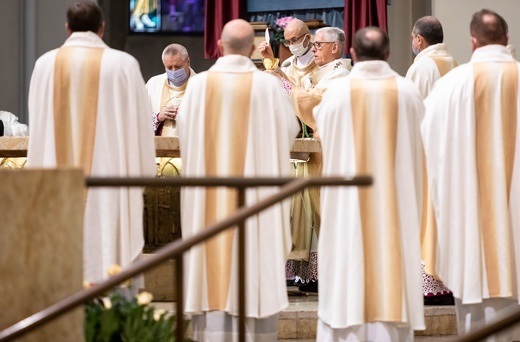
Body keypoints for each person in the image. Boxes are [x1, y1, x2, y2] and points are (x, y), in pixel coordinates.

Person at [177, 18, 300, 341]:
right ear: (251, 49)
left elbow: (185, 134)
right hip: (256, 203)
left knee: (211, 275)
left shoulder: (200, 85)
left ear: (219, 46)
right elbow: (289, 133)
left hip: (210, 202)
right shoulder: (268, 86)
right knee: (254, 272)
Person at [26, 1, 156, 284]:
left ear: (67, 27)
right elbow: (141, 126)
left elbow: (37, 127)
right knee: (112, 256)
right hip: (111, 186)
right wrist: (143, 175)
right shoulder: (123, 64)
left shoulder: (45, 65)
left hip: (56, 185)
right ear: (102, 28)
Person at [314, 27, 425, 341]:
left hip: (347, 205)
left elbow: (321, 130)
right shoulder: (407, 92)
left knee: (347, 271)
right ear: (388, 53)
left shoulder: (335, 93)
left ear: (352, 54)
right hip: (395, 205)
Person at [422, 9, 520, 341]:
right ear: (507, 39)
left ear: (473, 41)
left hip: (469, 236)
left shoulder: (450, 86)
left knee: (473, 325)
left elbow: (429, 154)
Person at [285, 27, 351, 293]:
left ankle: (326, 272)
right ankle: (310, 273)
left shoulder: (341, 75)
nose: (314, 48)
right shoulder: (321, 72)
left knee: (323, 211)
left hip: (329, 154)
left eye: (319, 44)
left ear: (335, 47)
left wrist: (286, 84)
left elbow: (314, 102)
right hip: (315, 153)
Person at [405, 16, 457, 306]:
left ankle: (429, 284)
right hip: (451, 153)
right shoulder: (453, 62)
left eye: (412, 37)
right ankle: (446, 280)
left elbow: (412, 113)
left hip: (427, 153)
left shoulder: (423, 66)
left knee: (426, 217)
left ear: (419, 40)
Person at [147, 43, 195, 137]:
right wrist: (158, 117)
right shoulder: (153, 84)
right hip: (159, 149)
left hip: (190, 147)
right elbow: (138, 118)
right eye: (169, 67)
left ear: (188, 61)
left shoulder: (200, 85)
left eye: (178, 67)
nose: (173, 71)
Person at [406, 16, 458, 99]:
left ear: (419, 40)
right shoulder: (454, 64)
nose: (412, 41)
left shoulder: (419, 68)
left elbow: (410, 105)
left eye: (413, 37)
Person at [258, 18, 318, 89]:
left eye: (294, 40)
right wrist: (270, 58)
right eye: (287, 42)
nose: (291, 45)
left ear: (307, 38)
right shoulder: (287, 64)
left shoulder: (320, 61)